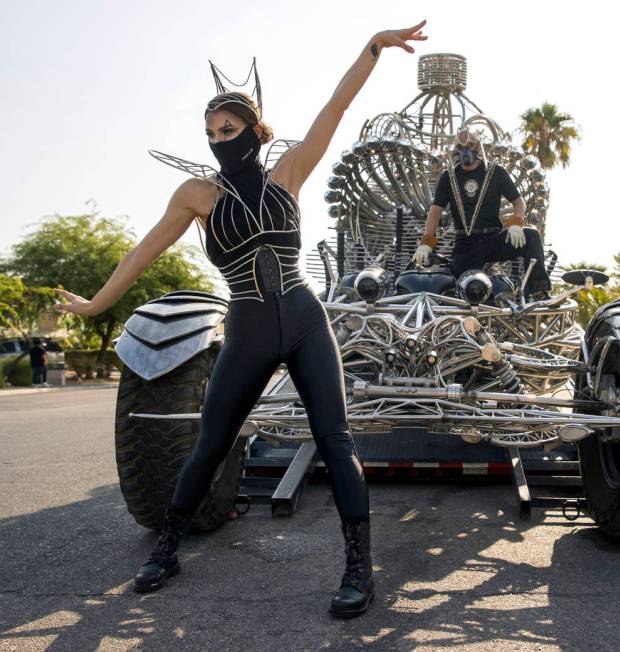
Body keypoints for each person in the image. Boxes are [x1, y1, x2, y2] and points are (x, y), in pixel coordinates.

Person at [53, 20, 428, 619]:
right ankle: (167, 548)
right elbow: (140, 251)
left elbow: (338, 104)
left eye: (228, 129)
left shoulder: (291, 171)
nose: (219, 140)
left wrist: (375, 48)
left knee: (336, 442)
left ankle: (359, 569)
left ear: (255, 130)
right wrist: (95, 305)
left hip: (305, 319)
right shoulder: (197, 196)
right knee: (209, 443)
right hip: (247, 327)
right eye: (210, 134)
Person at [413, 128, 551, 298]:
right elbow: (435, 212)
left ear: (477, 146)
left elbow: (518, 201)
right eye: (460, 146)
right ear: (455, 149)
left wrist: (516, 222)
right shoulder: (448, 177)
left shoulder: (495, 172)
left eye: (469, 145)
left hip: (493, 238)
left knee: (531, 236)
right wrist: (426, 242)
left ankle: (538, 292)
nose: (465, 150)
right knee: (472, 290)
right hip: (466, 244)